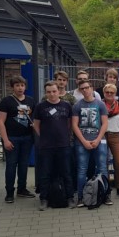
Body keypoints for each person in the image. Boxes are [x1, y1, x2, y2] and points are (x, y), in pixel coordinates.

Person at [33, 81, 74, 210]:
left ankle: (70, 198)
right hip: (46, 146)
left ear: (58, 92)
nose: (52, 94)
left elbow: (69, 124)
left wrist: (64, 136)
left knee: (67, 172)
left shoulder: (67, 106)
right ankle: (44, 199)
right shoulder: (40, 107)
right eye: (49, 92)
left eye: (54, 91)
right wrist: (44, 137)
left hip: (63, 145)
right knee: (45, 173)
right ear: (46, 93)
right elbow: (36, 125)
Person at [0, 75, 36, 203]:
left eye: (22, 85)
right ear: (12, 87)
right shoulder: (6, 101)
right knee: (11, 165)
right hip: (12, 138)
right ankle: (9, 192)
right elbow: (0, 122)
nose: (20, 88)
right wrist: (6, 140)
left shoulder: (30, 101)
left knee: (24, 165)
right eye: (17, 85)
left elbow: (34, 119)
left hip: (27, 138)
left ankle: (22, 189)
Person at [72, 80, 110, 207]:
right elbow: (74, 125)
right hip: (82, 142)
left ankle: (105, 195)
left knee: (102, 168)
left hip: (99, 141)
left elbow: (104, 123)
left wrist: (98, 139)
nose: (85, 90)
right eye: (82, 88)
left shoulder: (100, 104)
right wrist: (83, 141)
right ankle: (81, 197)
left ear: (91, 88)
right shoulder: (77, 106)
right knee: (82, 170)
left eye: (87, 88)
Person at [103, 83, 119, 197]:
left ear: (115, 94)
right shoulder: (99, 105)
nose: (109, 94)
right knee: (103, 163)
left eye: (111, 92)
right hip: (102, 135)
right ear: (104, 93)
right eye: (107, 92)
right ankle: (105, 187)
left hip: (116, 136)